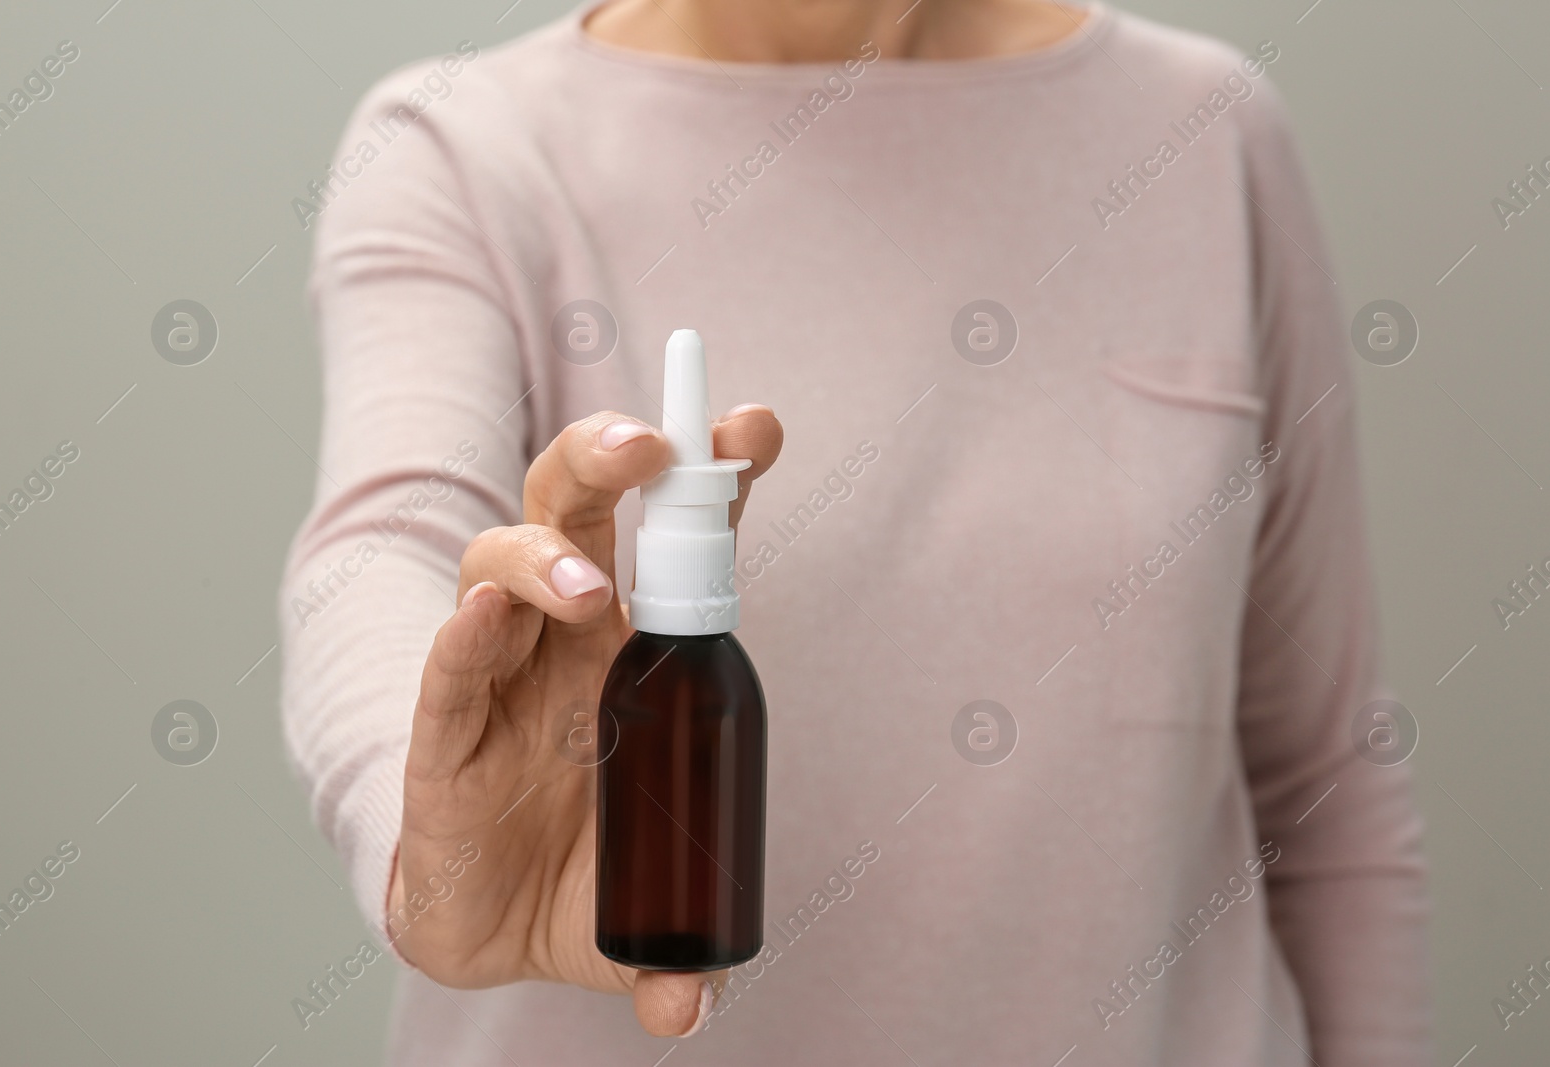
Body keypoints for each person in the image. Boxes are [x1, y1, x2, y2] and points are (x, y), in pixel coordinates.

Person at [279, 1, 1431, 1063]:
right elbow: (384, 546)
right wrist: (427, 828)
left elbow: (1327, 780)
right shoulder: (467, 150)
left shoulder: (1201, 132)